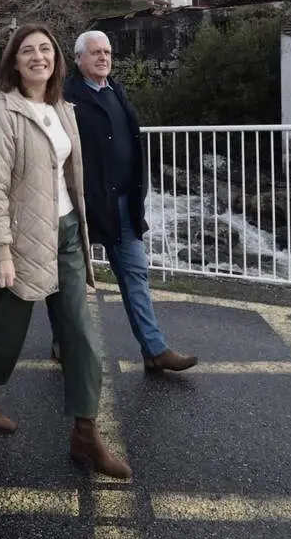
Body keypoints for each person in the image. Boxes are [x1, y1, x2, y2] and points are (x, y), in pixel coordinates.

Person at [0, 22, 132, 480]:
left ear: (56, 58)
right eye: (28, 51)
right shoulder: (2, 112)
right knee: (4, 335)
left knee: (81, 333)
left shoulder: (61, 106)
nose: (38, 57)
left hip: (66, 234)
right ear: (14, 63)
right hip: (20, 241)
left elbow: (69, 174)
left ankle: (85, 432)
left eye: (45, 50)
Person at [60, 30, 197, 373]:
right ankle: (62, 341)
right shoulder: (65, 97)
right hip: (82, 205)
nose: (104, 57)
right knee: (71, 280)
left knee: (135, 274)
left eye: (107, 52)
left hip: (122, 203)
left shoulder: (116, 92)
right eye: (95, 53)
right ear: (79, 59)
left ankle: (154, 349)